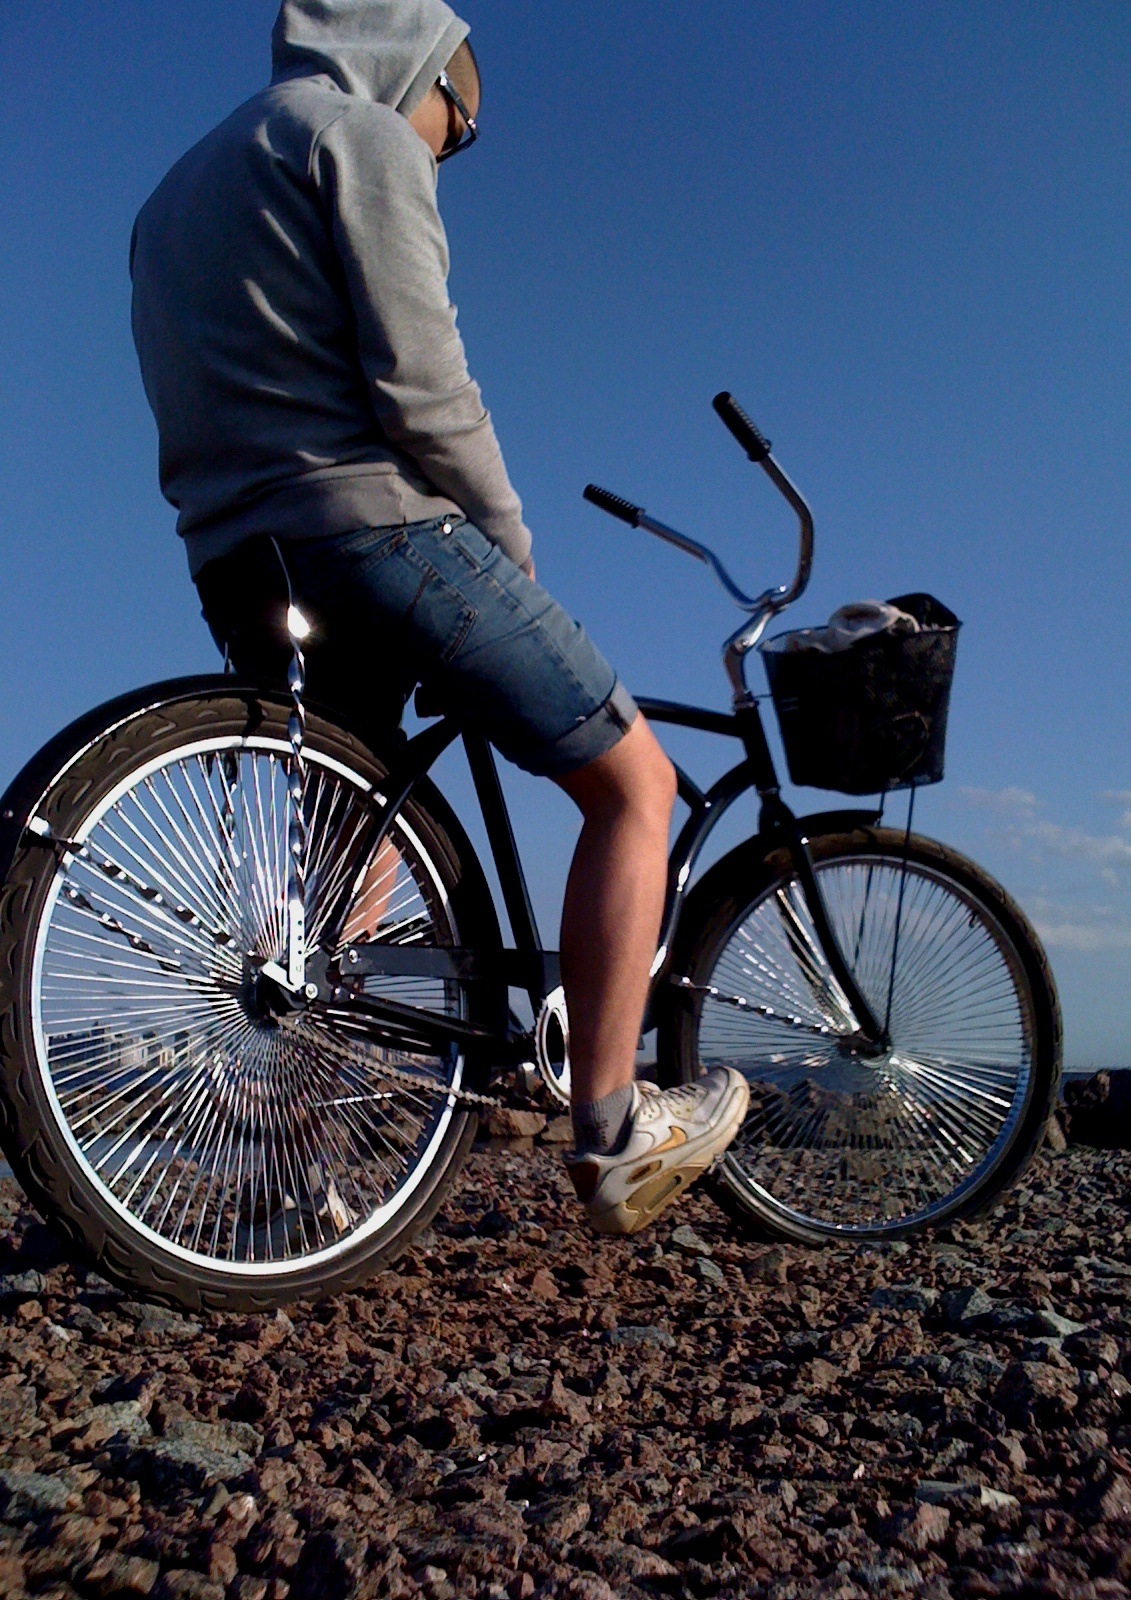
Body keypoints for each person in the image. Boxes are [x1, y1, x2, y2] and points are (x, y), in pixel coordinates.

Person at [129, 0, 748, 1235]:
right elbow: (424, 383)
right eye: (458, 126)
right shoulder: (354, 136)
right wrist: (506, 546)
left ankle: (283, 1176)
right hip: (376, 533)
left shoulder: (171, 197)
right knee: (636, 786)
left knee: (348, 851)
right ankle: (615, 1129)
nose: (449, 148)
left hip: (240, 559)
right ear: (421, 69)